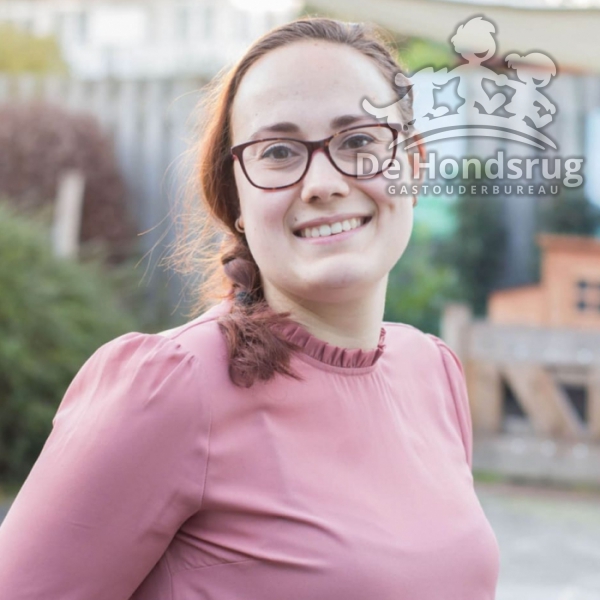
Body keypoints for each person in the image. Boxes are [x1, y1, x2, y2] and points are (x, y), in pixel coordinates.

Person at [0, 16, 500, 600]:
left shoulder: (432, 371)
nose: (323, 182)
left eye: (360, 141)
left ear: (413, 165)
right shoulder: (169, 388)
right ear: (237, 197)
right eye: (279, 151)